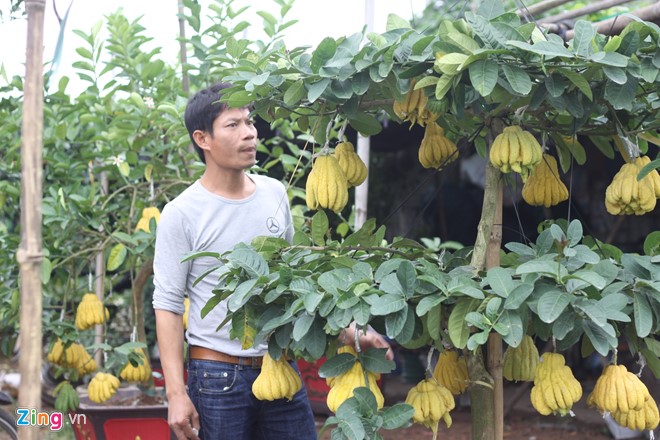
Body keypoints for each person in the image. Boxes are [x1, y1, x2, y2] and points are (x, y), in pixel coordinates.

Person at [152, 82, 392, 440]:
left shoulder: (274, 193)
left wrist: (352, 331)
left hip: (281, 366)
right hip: (218, 376)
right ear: (203, 139)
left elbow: (295, 287)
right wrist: (175, 393)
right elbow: (168, 306)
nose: (249, 133)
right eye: (233, 125)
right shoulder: (181, 212)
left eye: (250, 122)